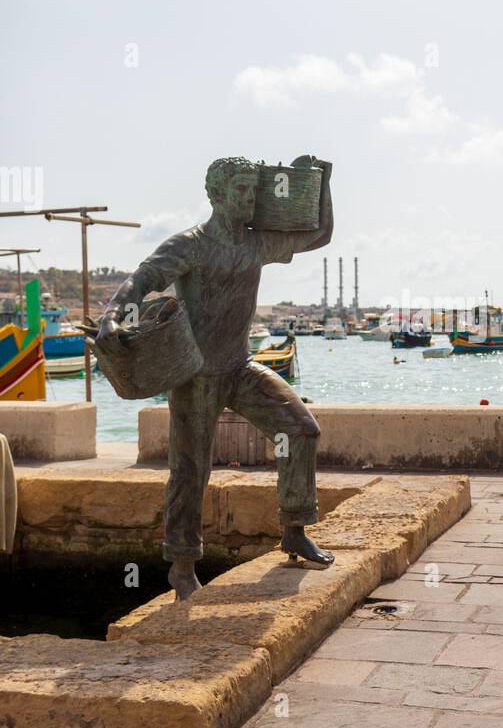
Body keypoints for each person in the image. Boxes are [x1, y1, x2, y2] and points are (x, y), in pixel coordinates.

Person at [98, 155, 334, 599]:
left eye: (254, 189)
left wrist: (324, 180)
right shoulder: (190, 244)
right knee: (190, 469)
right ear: (217, 194)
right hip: (196, 375)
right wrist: (113, 316)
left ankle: (294, 529)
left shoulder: (257, 243)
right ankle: (182, 566)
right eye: (242, 189)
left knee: (300, 429)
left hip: (240, 367)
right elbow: (143, 279)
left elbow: (318, 234)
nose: (250, 198)